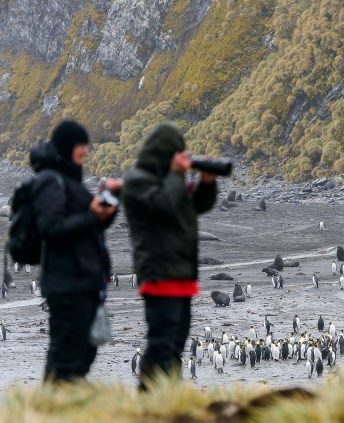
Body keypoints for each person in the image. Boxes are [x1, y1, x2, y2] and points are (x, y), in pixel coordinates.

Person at [122, 122, 217, 390]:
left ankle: (167, 395)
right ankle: (147, 396)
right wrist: (176, 175)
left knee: (176, 342)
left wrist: (206, 184)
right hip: (159, 272)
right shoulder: (138, 181)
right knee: (161, 340)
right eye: (177, 152)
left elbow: (197, 204)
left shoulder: (170, 183)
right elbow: (163, 206)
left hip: (181, 274)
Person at [32, 120, 118, 382]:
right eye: (82, 146)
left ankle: (64, 403)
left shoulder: (71, 181)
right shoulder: (51, 181)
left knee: (84, 350)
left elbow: (89, 226)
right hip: (66, 282)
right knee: (66, 351)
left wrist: (110, 204)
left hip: (82, 280)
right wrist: (92, 216)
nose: (87, 151)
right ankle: (52, 409)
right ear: (68, 147)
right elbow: (50, 228)